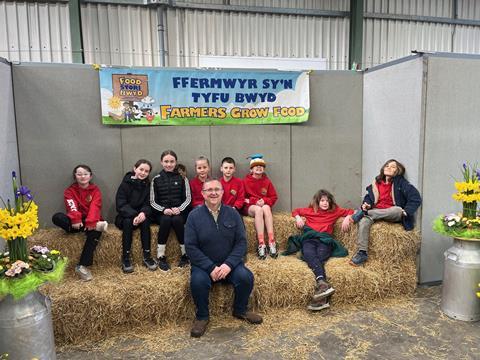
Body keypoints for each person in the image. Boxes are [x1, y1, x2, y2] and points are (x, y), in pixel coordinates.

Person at [185, 178, 262, 338]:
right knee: (197, 282)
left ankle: (240, 310)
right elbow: (191, 247)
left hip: (229, 264)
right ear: (203, 193)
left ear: (222, 192)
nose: (213, 192)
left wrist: (228, 264)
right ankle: (202, 317)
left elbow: (241, 243)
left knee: (246, 277)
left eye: (217, 189)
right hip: (204, 266)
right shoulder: (193, 216)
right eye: (209, 190)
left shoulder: (233, 214)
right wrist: (210, 267)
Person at [350, 159, 422, 266]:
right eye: (387, 166)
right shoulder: (376, 183)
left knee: (397, 209)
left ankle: (364, 213)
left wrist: (406, 212)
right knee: (364, 222)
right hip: (376, 212)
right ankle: (362, 252)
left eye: (393, 167)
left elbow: (416, 198)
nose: (388, 168)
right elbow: (368, 198)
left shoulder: (401, 183)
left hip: (392, 213)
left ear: (398, 171)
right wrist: (366, 204)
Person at [291, 189, 353, 311]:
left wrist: (347, 218)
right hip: (310, 238)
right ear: (317, 202)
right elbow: (295, 211)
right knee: (308, 253)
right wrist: (298, 218)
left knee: (319, 257)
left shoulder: (334, 212)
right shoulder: (309, 211)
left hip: (325, 240)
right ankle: (322, 287)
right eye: (322, 200)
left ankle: (321, 292)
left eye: (327, 201)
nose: (325, 203)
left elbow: (351, 211)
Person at [52, 164, 108, 281]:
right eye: (79, 174)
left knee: (95, 231)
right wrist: (76, 219)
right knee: (57, 217)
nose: (83, 176)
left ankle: (82, 266)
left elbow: (95, 207)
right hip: (75, 221)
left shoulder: (95, 190)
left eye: (85, 174)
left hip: (90, 220)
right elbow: (71, 205)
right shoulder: (70, 191)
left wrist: (91, 222)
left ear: (90, 176)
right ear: (75, 176)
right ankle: (94, 226)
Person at [150, 150, 191, 270]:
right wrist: (163, 210)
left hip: (179, 211)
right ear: (161, 162)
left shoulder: (183, 178)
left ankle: (185, 254)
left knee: (178, 220)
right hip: (161, 213)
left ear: (175, 162)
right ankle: (161, 256)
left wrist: (180, 208)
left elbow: (188, 198)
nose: (169, 164)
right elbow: (152, 201)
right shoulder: (156, 179)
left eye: (171, 161)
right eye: (166, 161)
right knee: (166, 220)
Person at [115, 159, 157, 273]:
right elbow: (121, 203)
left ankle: (147, 256)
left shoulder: (148, 186)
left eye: (146, 171)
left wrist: (143, 213)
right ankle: (126, 258)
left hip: (142, 215)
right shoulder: (125, 184)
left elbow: (149, 202)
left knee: (146, 222)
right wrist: (134, 215)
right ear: (135, 169)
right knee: (128, 222)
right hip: (126, 216)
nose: (143, 173)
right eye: (141, 169)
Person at [243, 154, 278, 259]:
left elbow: (274, 197)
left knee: (266, 208)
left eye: (261, 166)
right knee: (259, 209)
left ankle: (272, 242)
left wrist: (265, 200)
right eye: (256, 166)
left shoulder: (267, 181)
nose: (259, 168)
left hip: (263, 205)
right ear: (251, 169)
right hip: (250, 207)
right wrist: (255, 201)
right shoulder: (245, 181)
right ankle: (261, 243)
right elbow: (243, 198)